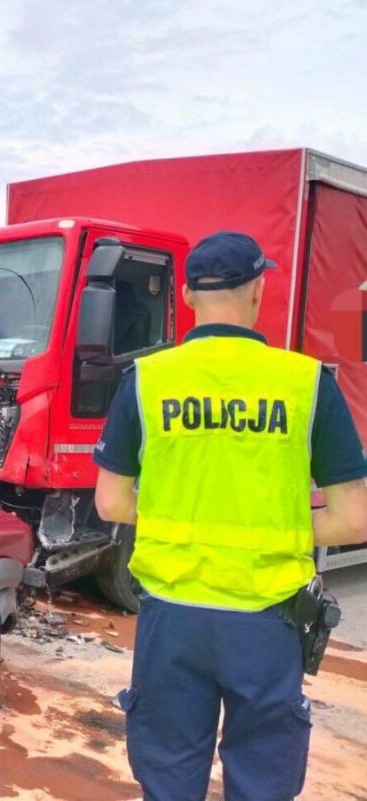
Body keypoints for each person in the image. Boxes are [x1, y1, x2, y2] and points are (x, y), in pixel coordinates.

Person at [93, 230, 367, 801]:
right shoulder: (306, 385)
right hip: (267, 622)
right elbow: (354, 519)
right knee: (264, 785)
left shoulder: (146, 381)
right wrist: (272, 524)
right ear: (258, 290)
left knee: (168, 781)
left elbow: (112, 503)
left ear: (188, 296)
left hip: (171, 620)